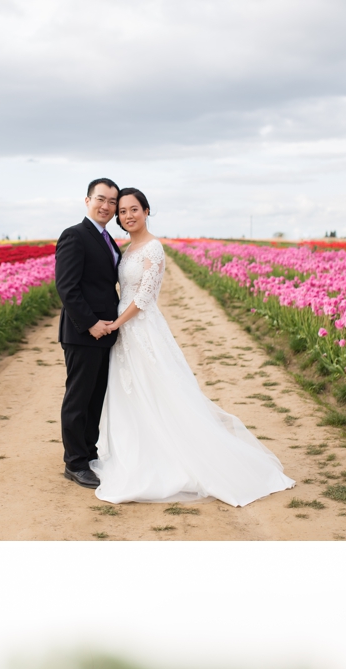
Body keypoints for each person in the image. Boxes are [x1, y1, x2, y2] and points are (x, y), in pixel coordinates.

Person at [87, 188, 294, 505]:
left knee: (158, 390)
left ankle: (175, 459)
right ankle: (138, 454)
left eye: (134, 209)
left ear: (146, 211)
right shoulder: (127, 249)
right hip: (125, 331)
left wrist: (116, 324)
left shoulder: (153, 249)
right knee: (131, 392)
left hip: (139, 327)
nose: (128, 215)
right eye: (123, 211)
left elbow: (145, 297)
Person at [53, 178, 125, 489]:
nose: (106, 206)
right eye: (101, 199)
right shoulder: (75, 235)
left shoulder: (107, 239)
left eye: (112, 202)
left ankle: (90, 452)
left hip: (106, 332)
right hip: (83, 333)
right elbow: (67, 287)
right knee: (79, 398)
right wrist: (91, 323)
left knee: (96, 398)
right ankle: (75, 462)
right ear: (87, 200)